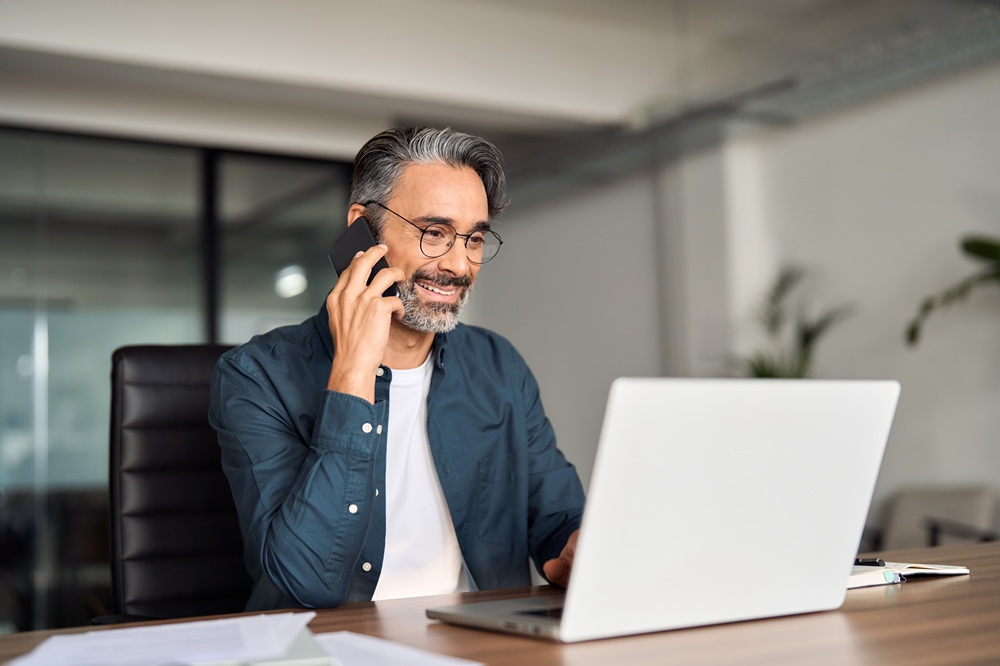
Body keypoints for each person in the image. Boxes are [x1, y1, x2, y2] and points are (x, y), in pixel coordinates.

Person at [209, 127, 585, 611]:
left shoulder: (498, 366)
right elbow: (303, 583)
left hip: (480, 643)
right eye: (434, 233)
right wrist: (352, 371)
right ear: (362, 228)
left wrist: (572, 552)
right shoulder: (256, 376)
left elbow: (558, 517)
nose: (458, 264)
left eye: (474, 238)